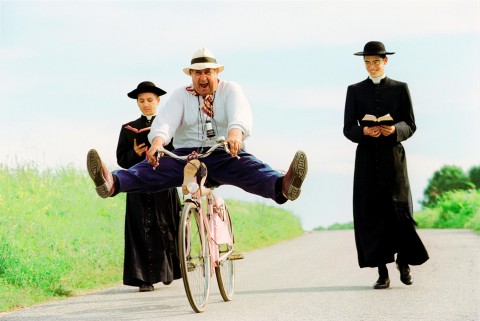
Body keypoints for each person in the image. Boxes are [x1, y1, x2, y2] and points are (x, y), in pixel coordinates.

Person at [86, 48, 307, 219]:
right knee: (149, 169)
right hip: (186, 156)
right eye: (198, 73)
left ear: (216, 72)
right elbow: (165, 122)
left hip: (222, 152)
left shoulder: (230, 90)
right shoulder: (181, 95)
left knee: (251, 169)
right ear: (191, 74)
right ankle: (111, 182)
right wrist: (157, 143)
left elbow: (239, 114)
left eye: (208, 72)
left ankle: (285, 186)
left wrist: (235, 135)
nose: (203, 78)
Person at [343, 41, 429, 289]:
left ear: (385, 61)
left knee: (400, 212)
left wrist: (394, 129)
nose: (371, 66)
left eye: (376, 62)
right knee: (371, 215)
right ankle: (382, 272)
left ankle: (404, 261)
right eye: (367, 63)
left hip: (394, 158)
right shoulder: (355, 90)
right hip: (367, 160)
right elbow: (348, 128)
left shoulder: (401, 89)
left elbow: (410, 125)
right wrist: (364, 131)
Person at [116, 81, 182, 292]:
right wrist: (134, 153)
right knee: (140, 229)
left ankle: (168, 271)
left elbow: (179, 150)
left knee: (166, 225)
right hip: (139, 183)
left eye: (150, 100)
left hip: (163, 181)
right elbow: (121, 159)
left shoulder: (169, 126)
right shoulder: (128, 129)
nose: (146, 104)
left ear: (158, 101)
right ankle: (143, 279)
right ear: (137, 103)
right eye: (142, 100)